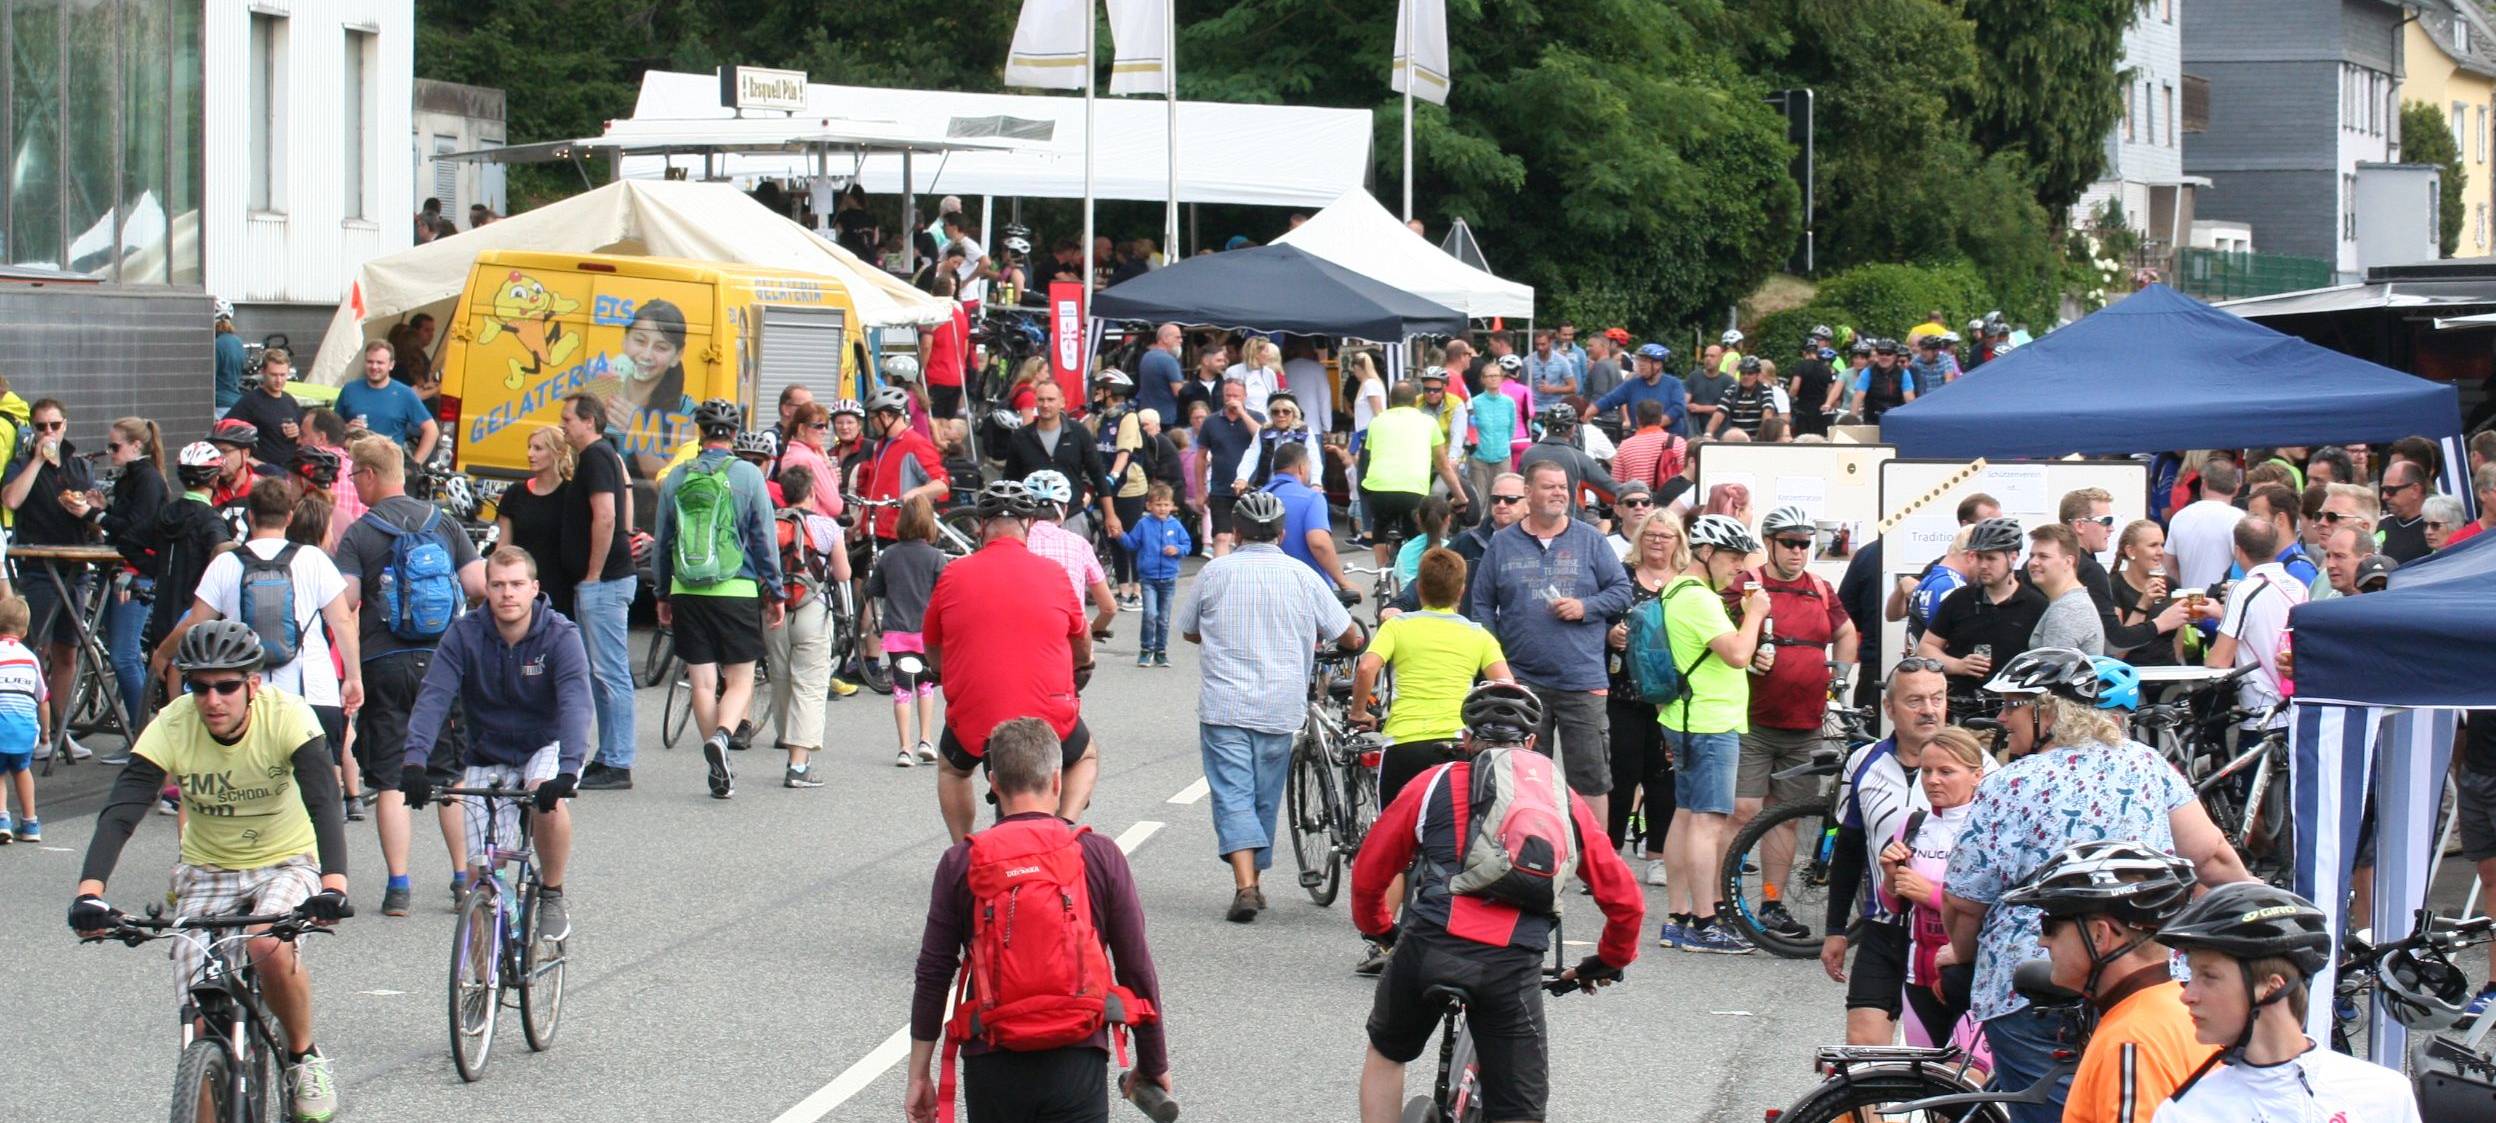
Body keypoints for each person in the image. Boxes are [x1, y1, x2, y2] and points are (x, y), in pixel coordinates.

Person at [1943, 650, 2250, 1123]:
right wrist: (2260, 908)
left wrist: (1959, 956)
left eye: (2012, 705)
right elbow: (2212, 857)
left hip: (2036, 977)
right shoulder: (2147, 764)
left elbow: (1965, 902)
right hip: (2139, 974)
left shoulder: (2012, 783)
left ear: (2048, 710)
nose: (2003, 719)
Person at [71, 621, 350, 1123]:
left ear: (253, 685)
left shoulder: (288, 716)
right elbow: (124, 807)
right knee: (200, 1027)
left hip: (284, 859)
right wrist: (90, 893)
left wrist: (333, 885)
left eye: (225, 686)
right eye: (199, 686)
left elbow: (324, 799)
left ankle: (302, 1056)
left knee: (267, 941)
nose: (212, 699)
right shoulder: (173, 724)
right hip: (207, 869)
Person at [1349, 681, 1643, 1123]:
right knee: (1518, 1110)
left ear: (1466, 740)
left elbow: (1370, 873)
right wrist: (1605, 961)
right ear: (1530, 743)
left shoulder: (1434, 783)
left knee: (1388, 1052)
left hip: (1431, 939)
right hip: (1511, 962)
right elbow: (1625, 902)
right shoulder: (1562, 799)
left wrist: (1381, 929)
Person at [902, 718, 1171, 1123]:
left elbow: (934, 972)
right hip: (1077, 1055)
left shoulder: (962, 861)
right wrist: (1154, 1064)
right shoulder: (1098, 855)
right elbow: (1136, 968)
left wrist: (918, 1073)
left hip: (992, 1059)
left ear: (993, 783)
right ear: (1058, 781)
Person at [1178, 489, 1357, 920]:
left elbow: (1188, 630)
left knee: (1232, 794)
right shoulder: (1301, 575)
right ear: (1281, 532)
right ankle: (1252, 879)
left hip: (1225, 705)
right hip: (1280, 706)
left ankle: (1246, 885)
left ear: (1236, 532)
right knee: (1264, 795)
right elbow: (1348, 634)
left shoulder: (1215, 573)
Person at [396, 548, 587, 941]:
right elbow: (433, 696)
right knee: (481, 877)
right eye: (498, 585)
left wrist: (568, 770)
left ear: (534, 588)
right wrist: (414, 763)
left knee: (543, 798)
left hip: (546, 745)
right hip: (487, 751)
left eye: (517, 584)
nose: (507, 594)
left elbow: (575, 703)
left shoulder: (560, 635)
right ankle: (481, 989)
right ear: (486, 589)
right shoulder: (464, 635)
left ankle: (552, 891)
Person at [332, 435, 485, 915]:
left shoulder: (361, 532)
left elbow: (348, 600)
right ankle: (463, 880)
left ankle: (399, 887)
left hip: (385, 664)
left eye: (356, 475)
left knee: (393, 778)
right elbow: (478, 585)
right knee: (452, 775)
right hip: (444, 661)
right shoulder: (443, 523)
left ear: (372, 475)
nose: (354, 484)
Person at [156, 475, 362, 801]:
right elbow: (342, 621)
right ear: (290, 517)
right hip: (313, 690)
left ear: (250, 516)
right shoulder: (313, 560)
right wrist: (353, 678)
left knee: (255, 790)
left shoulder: (226, 563)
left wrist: (162, 654)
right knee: (320, 791)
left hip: (250, 696)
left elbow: (193, 623)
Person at [2152, 883, 2419, 1123]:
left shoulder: (2385, 1094)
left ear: (2270, 988)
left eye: (2208, 976)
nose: (2187, 995)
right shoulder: (2185, 1114)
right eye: (2192, 976)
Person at [925, 482, 1097, 841]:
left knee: (953, 769)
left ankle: (963, 849)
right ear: (1030, 524)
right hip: (1046, 717)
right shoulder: (1053, 573)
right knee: (1084, 757)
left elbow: (932, 644)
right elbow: (1081, 640)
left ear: (981, 526)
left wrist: (942, 672)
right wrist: (1081, 667)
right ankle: (1064, 829)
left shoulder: (954, 574)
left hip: (977, 716)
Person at [1467, 459, 1634, 821]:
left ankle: (1594, 870)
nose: (1559, 493)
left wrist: (1585, 607)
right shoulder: (1502, 543)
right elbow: (1481, 604)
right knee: (1525, 778)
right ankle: (1531, 860)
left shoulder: (1590, 539)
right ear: (1528, 493)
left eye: (1563, 487)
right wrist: (1497, 664)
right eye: (1549, 486)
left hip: (1582, 680)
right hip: (1521, 682)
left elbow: (1622, 591)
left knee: (1590, 780)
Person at [1999, 841, 2214, 1123]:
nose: (2043, 941)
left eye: (2050, 926)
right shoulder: (2185, 1009)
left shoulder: (2131, 1040)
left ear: (2100, 935)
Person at [1730, 507, 1858, 945]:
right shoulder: (1747, 586)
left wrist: (1839, 675)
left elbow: (1846, 632)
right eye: (1790, 542)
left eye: (1806, 542)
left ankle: (1770, 902)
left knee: (1784, 820)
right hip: (1753, 720)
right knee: (1743, 813)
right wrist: (1748, 659)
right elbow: (1721, 639)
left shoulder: (1820, 588)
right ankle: (1725, 904)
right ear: (1769, 543)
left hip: (1805, 723)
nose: (1799, 551)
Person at [653, 399, 785, 800]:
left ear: (700, 432)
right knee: (741, 679)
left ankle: (717, 765)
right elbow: (764, 538)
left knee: (702, 682)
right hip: (737, 588)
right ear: (734, 432)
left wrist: (662, 592)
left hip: (686, 590)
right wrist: (774, 590)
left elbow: (663, 542)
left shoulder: (677, 477)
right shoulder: (748, 475)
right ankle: (724, 739)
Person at [1653, 514, 1773, 953]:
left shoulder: (1677, 590)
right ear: (1705, 553)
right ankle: (1705, 923)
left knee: (1685, 815)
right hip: (1709, 721)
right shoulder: (1699, 600)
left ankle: (1677, 916)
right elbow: (1739, 654)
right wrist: (1755, 614)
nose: (1739, 567)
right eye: (1732, 556)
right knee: (1707, 821)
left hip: (1687, 716)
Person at [1819, 657, 1953, 1043]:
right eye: (1915, 701)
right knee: (1862, 1057)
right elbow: (1849, 849)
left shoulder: (1979, 767)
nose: (1929, 710)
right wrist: (1835, 930)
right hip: (1883, 931)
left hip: (1945, 934)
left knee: (1942, 1070)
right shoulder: (1863, 761)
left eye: (1938, 698)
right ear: (1889, 708)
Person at [1348, 548, 1513, 803]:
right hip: (1458, 742)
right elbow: (1505, 685)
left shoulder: (1397, 626)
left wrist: (1359, 712)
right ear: (1461, 591)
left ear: (1419, 588)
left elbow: (1366, 668)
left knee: (1392, 834)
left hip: (1405, 743)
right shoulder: (1478, 634)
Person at [4, 397, 99, 759]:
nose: (49, 432)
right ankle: (33, 731)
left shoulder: (78, 466)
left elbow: (92, 513)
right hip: (38, 567)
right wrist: (38, 460)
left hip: (75, 565)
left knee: (68, 651)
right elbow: (11, 501)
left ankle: (59, 731)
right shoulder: (20, 465)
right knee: (34, 649)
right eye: (41, 426)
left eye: (54, 426)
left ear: (65, 426)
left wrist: (91, 509)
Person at [1885, 724, 1991, 1047]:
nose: (1932, 780)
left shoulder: (1989, 826)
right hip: (1918, 975)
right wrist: (1891, 876)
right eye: (1926, 770)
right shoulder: (1913, 823)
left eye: (1946, 771)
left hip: (1973, 974)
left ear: (1977, 775)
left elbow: (1993, 904)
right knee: (1926, 1083)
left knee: (1971, 1079)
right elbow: (1894, 905)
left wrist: (1929, 893)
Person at [555, 396, 640, 792]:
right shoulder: (600, 457)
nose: (563, 426)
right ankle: (607, 755)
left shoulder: (596, 457)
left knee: (610, 672)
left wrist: (592, 573)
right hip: (601, 580)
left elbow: (607, 516)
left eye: (568, 419)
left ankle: (618, 760)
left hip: (604, 582)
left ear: (589, 421)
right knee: (599, 673)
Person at [1603, 510, 1684, 882]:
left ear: (1677, 542)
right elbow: (1602, 620)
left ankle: (1657, 856)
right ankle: (1612, 853)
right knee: (1621, 775)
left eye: (1665, 536)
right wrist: (1611, 636)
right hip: (1625, 691)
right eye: (1650, 534)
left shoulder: (1686, 584)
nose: (1656, 541)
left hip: (1670, 695)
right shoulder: (1620, 577)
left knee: (1663, 776)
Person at [766, 466, 849, 788]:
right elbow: (842, 574)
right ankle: (798, 765)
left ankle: (788, 740)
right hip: (811, 610)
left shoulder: (769, 523)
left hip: (773, 610)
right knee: (811, 685)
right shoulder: (826, 526)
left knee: (781, 678)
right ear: (812, 493)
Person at [1918, 517, 2047, 702]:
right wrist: (1958, 665)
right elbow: (1926, 648)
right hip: (1961, 709)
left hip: (2012, 711)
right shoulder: (1959, 599)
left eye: (1991, 558)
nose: (1983, 565)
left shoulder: (2036, 605)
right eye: (1979, 557)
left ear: (2013, 557)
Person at [2194, 516, 2304, 728]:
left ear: (2238, 550)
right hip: (2294, 709)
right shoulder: (2298, 587)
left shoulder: (2242, 590)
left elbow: (2219, 660)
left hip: (2260, 713)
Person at [100, 417, 172, 734]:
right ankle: (139, 731)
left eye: (115, 446)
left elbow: (136, 529)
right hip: (127, 570)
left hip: (136, 572)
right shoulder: (132, 478)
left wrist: (97, 514)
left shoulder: (146, 480)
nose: (110, 452)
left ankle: (144, 734)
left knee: (124, 655)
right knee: (124, 653)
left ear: (135, 445)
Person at [868, 494, 948, 767]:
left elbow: (873, 590)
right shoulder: (936, 557)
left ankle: (905, 747)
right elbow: (945, 593)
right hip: (927, 636)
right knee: (926, 686)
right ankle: (926, 739)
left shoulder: (890, 556)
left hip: (897, 635)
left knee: (902, 689)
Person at [1360, 378, 1470, 568]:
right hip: (1413, 490)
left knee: (1380, 525)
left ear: (1390, 401)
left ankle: (1382, 574)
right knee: (1417, 534)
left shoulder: (1376, 422)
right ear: (1415, 401)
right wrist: (1461, 497)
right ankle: (1416, 575)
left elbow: (1368, 456)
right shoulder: (1428, 422)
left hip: (1378, 489)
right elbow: (1443, 466)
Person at [1023, 470, 1121, 640]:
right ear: (1065, 509)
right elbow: (1109, 608)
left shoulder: (1017, 543)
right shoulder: (1079, 544)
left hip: (1027, 637)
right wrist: (1094, 629)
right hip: (1069, 635)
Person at [494, 427, 577, 617]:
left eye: (538, 448)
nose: (530, 454)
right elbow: (503, 545)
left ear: (559, 452)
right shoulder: (515, 493)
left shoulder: (571, 494)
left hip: (560, 588)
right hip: (520, 586)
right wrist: (495, 580)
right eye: (529, 447)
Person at [1119, 483, 1191, 669]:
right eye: (1158, 505)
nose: (1162, 509)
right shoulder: (1143, 524)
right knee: (1150, 614)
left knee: (1164, 617)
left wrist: (1177, 549)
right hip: (1148, 578)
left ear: (1172, 506)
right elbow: (1132, 544)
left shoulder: (1175, 525)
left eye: (1166, 505)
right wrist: (1119, 535)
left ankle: (1161, 651)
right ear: (1149, 506)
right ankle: (1146, 650)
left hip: (1169, 577)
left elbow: (1187, 545)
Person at [336, 339, 439, 463]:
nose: (374, 367)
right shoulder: (350, 389)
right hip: (353, 463)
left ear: (391, 365)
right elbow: (333, 428)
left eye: (380, 363)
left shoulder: (404, 393)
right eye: (370, 362)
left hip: (388, 467)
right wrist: (346, 428)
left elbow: (431, 430)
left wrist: (416, 464)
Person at [2107, 520, 2190, 665]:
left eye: (2162, 545)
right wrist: (2143, 605)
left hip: (2168, 676)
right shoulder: (2113, 586)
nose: (2160, 552)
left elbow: (2178, 639)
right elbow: (2117, 651)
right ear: (2131, 551)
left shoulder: (2169, 584)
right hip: (2132, 676)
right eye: (2153, 545)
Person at [0, 597, 45, 840]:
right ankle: (30, 823)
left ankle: (1, 819)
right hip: (27, 728)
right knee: (22, 769)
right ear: (25, 631)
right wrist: (46, 734)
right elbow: (42, 698)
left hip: (1, 724)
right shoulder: (31, 658)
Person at [2025, 524, 2105, 656]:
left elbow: (2053, 672)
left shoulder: (2068, 610)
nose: (2033, 562)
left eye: (2043, 556)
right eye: (2031, 556)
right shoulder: (2070, 603)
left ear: (2068, 562)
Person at [223, 345, 306, 466]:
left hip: (289, 471)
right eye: (273, 375)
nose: (278, 380)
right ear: (263, 372)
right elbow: (224, 430)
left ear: (288, 373)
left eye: (283, 375)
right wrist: (249, 459)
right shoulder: (251, 401)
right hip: (264, 473)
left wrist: (297, 431)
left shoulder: (290, 400)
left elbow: (305, 434)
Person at [2163, 460, 2242, 587]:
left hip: (2188, 602)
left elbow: (2168, 565)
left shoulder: (2180, 517)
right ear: (2236, 488)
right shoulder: (2239, 519)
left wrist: (2184, 591)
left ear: (2203, 484)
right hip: (2223, 602)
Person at [1593, 343, 1689, 437]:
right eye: (1639, 360)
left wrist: (1652, 427)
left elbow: (1678, 408)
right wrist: (1589, 413)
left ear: (1658, 365)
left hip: (1668, 442)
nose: (1640, 364)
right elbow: (1609, 399)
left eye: (1645, 361)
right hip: (1640, 439)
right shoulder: (1632, 384)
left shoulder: (1674, 384)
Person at [1710, 357, 1779, 439]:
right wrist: (1708, 434)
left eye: (1750, 373)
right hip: (1736, 437)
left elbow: (1767, 414)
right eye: (1742, 373)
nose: (1745, 376)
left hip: (1756, 438)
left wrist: (1762, 438)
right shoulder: (1732, 391)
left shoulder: (1765, 390)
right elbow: (1719, 414)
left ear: (1757, 375)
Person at [1137, 323, 1185, 428]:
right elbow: (1179, 392)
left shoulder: (1146, 356)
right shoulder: (1169, 360)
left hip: (1147, 417)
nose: (1181, 341)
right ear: (1165, 338)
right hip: (1167, 419)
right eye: (1177, 337)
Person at [213, 301, 246, 413]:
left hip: (219, 403)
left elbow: (209, 377)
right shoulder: (238, 342)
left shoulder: (216, 345)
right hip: (235, 402)